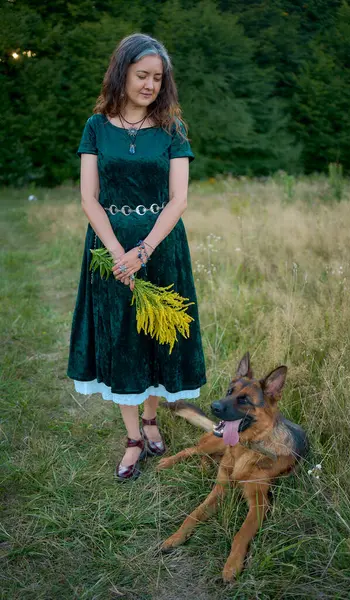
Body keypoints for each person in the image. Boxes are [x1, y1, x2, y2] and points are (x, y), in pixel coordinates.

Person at [67, 33, 207, 481]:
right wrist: (117, 255)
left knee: (155, 331)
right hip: (108, 247)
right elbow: (89, 198)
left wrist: (144, 250)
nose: (149, 85)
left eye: (157, 78)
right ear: (122, 72)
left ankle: (151, 419)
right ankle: (133, 438)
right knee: (122, 339)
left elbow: (179, 199)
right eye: (141, 75)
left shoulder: (172, 129)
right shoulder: (97, 126)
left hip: (161, 246)